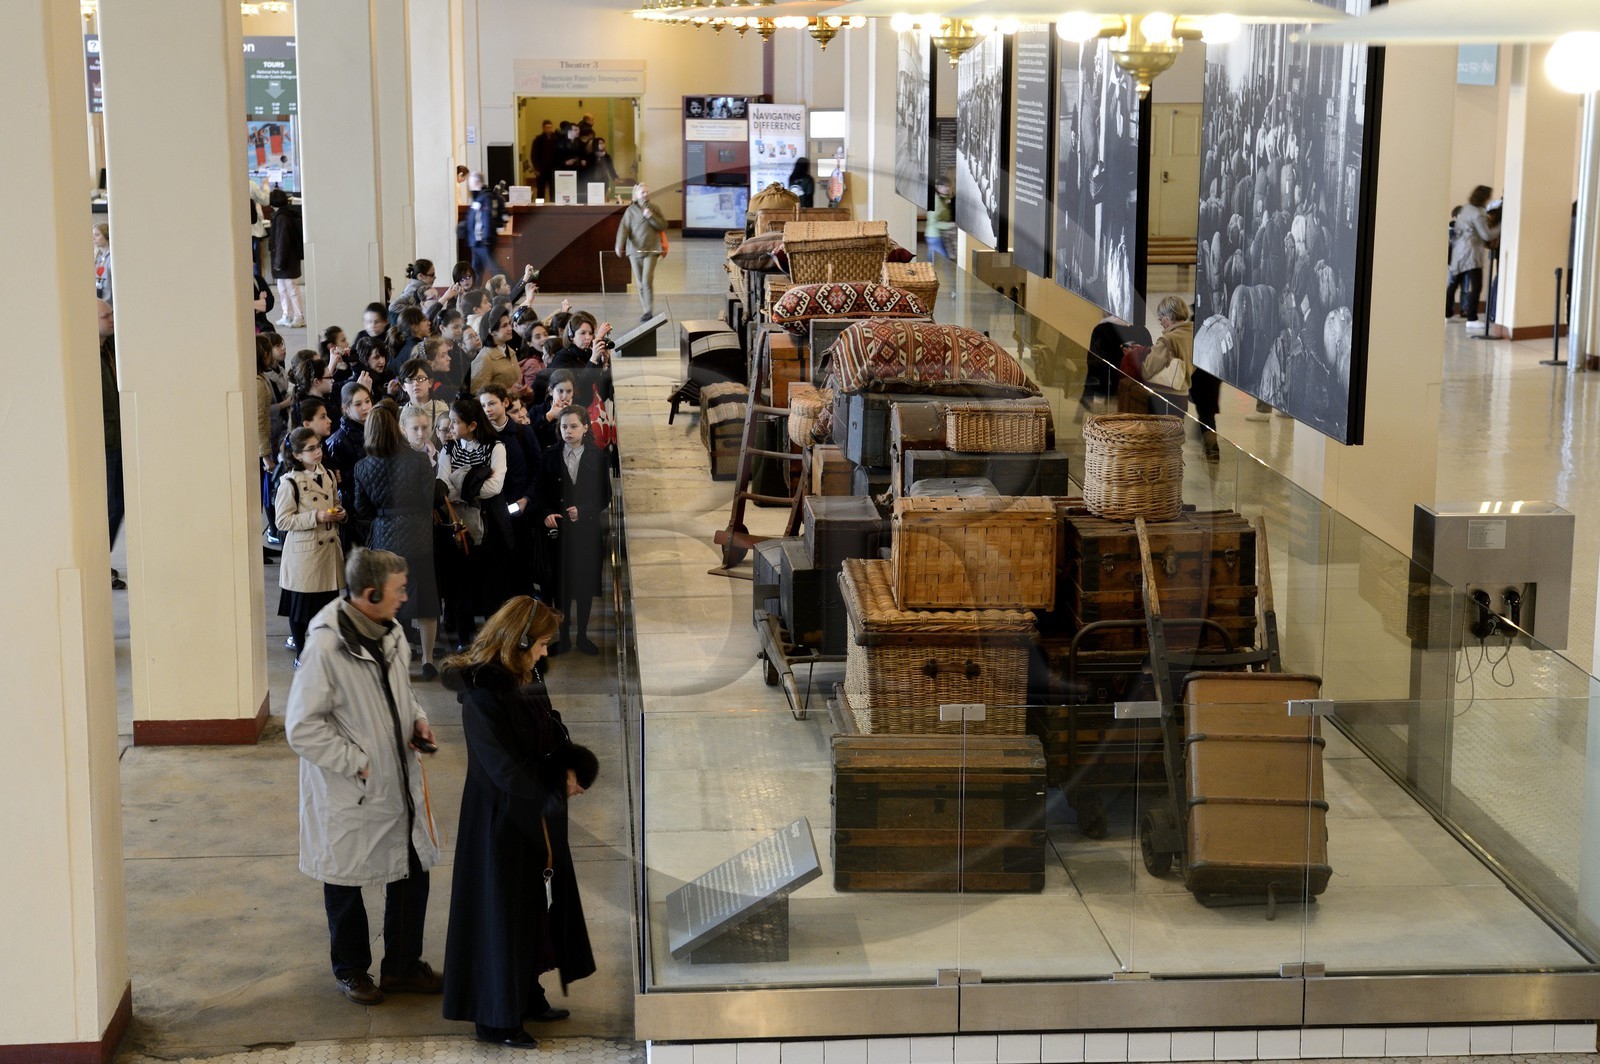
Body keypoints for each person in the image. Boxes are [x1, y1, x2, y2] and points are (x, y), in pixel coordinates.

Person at [284, 547, 444, 1007]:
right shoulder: (325, 646)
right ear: (370, 594)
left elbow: (401, 693)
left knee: (411, 869)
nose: (405, 596)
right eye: (398, 590)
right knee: (345, 878)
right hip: (350, 790)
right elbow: (301, 727)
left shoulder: (391, 632)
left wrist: (418, 720)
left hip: (395, 780)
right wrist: (356, 760)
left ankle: (401, 967)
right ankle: (352, 970)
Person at [440, 596, 598, 1047]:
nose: (547, 653)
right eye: (543, 644)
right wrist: (554, 784)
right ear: (519, 641)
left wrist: (568, 763)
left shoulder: (525, 676)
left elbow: (551, 725)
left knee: (534, 909)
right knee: (502, 916)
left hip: (531, 815)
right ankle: (496, 1018)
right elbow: (503, 768)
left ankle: (525, 995)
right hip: (500, 823)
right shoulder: (483, 695)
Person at [355, 406, 444, 682]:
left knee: (390, 601)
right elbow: (432, 498)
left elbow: (361, 509)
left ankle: (397, 660)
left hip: (383, 537)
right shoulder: (417, 460)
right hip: (418, 534)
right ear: (397, 428)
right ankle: (429, 660)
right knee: (426, 598)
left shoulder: (363, 466)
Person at [539, 405, 611, 654]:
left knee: (584, 585)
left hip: (586, 532)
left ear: (585, 428)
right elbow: (541, 493)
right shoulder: (549, 455)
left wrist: (584, 510)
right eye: (563, 427)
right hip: (558, 532)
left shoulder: (597, 456)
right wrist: (547, 513)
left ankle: (582, 636)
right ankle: (564, 636)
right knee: (561, 586)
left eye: (573, 426)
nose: (567, 431)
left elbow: (605, 496)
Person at [438, 398, 506, 648]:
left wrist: (461, 485)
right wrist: (471, 482)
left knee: (489, 585)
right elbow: (443, 487)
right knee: (460, 583)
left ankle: (491, 638)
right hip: (458, 526)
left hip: (488, 525)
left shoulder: (495, 447)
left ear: (473, 424)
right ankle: (464, 638)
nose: (451, 427)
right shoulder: (448, 449)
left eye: (455, 423)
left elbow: (494, 487)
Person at [275, 428, 347, 660]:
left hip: (327, 551)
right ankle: (301, 653)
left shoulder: (326, 474)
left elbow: (335, 501)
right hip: (305, 555)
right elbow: (282, 520)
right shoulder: (290, 482)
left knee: (328, 608)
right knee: (301, 610)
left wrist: (340, 513)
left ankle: (324, 653)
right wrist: (315, 517)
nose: (318, 452)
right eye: (311, 449)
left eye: (318, 446)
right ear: (297, 455)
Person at [1117, 295, 1194, 420]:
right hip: (1182, 396)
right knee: (1175, 435)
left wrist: (1135, 354)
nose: (1161, 323)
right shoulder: (1193, 335)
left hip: (1164, 397)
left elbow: (1148, 369)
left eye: (1161, 318)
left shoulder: (1168, 340)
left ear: (1167, 317)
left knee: (1159, 436)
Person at [98, 299, 127, 589]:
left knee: (117, 505)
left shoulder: (109, 349)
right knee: (111, 506)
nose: (112, 319)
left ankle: (100, 563)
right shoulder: (88, 356)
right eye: (106, 316)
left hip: (117, 438)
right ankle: (98, 565)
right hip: (104, 443)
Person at [614, 184, 666, 321]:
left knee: (646, 280)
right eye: (642, 192)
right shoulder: (630, 211)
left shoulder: (654, 209)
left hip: (652, 249)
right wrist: (619, 244)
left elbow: (663, 225)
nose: (645, 194)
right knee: (640, 282)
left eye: (647, 192)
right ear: (636, 195)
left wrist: (650, 216)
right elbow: (623, 228)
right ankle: (645, 310)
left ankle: (648, 310)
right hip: (635, 250)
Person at [1450, 185, 1499, 324]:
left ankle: (1447, 313)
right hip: (1471, 253)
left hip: (1459, 251)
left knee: (1454, 284)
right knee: (1476, 285)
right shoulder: (1478, 213)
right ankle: (1472, 317)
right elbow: (1487, 235)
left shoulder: (1466, 209)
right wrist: (1500, 227)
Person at [268, 187, 305, 328]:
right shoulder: (284, 215)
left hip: (286, 261)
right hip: (286, 261)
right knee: (283, 289)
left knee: (292, 289)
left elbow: (282, 241)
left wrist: (279, 262)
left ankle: (299, 316)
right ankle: (287, 315)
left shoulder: (282, 217)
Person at [464, 172, 506, 283]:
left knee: (494, 269)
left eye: (470, 182)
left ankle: (510, 289)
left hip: (483, 240)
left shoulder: (485, 197)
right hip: (477, 242)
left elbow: (486, 218)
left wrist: (486, 237)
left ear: (476, 182)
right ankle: (474, 292)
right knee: (477, 270)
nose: (468, 185)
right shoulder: (480, 197)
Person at [472, 305, 522, 395]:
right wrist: (510, 392)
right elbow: (477, 394)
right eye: (504, 326)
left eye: (509, 324)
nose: (510, 328)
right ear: (492, 332)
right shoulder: (484, 358)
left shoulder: (510, 352)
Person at [531, 120, 562, 201]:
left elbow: (559, 154)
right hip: (541, 169)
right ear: (543, 128)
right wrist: (536, 168)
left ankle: (552, 207)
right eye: (547, 127)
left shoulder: (556, 139)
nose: (549, 129)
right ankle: (539, 207)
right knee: (540, 191)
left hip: (553, 169)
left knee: (553, 190)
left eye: (550, 127)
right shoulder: (538, 140)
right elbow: (534, 155)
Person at [925, 176, 954, 261]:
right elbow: (934, 222)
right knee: (946, 260)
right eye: (944, 186)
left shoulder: (943, 199)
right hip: (934, 235)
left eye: (948, 186)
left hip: (935, 235)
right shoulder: (936, 201)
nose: (947, 188)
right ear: (938, 187)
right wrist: (949, 225)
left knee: (932, 260)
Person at [93, 223, 113, 305]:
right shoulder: (97, 256)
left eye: (97, 235)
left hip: (110, 302)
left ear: (106, 236)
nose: (94, 238)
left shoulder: (112, 256)